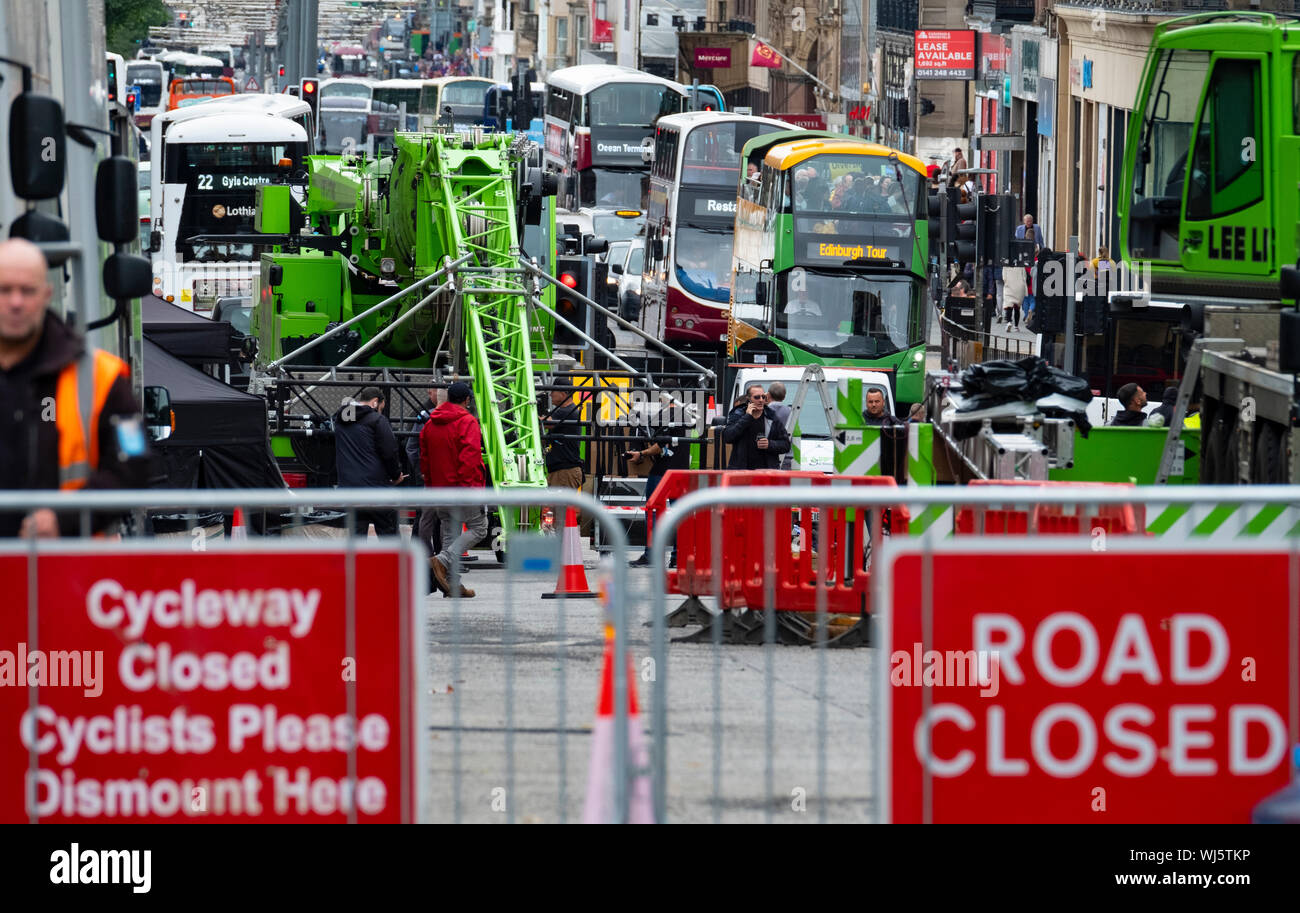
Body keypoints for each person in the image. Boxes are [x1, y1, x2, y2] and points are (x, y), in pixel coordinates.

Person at [0, 238, 148, 538]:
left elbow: (135, 464)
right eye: (4, 290)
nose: (16, 302)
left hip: (71, 570)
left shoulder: (100, 377)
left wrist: (65, 519)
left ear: (46, 294)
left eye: (27, 291)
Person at [420, 381, 488, 597]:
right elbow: (469, 459)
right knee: (480, 528)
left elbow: (425, 460)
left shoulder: (430, 424)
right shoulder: (467, 422)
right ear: (467, 400)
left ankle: (452, 584)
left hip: (439, 491)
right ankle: (441, 561)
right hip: (462, 490)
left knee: (450, 535)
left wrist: (431, 488)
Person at [334, 386, 405, 537]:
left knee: (356, 538)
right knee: (389, 536)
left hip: (349, 491)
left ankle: (357, 562)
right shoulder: (377, 420)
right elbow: (390, 451)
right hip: (376, 490)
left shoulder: (340, 419)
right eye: (381, 408)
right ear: (375, 402)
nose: (380, 411)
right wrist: (396, 474)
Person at [626, 410, 694, 567]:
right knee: (679, 515)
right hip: (681, 471)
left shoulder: (668, 414)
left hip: (662, 471)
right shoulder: (685, 415)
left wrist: (641, 454)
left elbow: (660, 444)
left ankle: (652, 557)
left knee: (653, 514)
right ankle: (678, 558)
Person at [406, 386, 443, 557]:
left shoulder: (425, 415)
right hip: (432, 477)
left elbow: (412, 447)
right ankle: (426, 556)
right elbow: (412, 447)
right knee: (427, 518)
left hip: (434, 477)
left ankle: (434, 557)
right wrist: (421, 471)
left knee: (432, 518)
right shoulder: (425, 416)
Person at [542, 376, 585, 521]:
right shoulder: (561, 411)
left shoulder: (567, 412)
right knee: (555, 516)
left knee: (560, 518)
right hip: (561, 471)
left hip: (565, 472)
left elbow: (546, 423)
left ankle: (562, 543)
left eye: (553, 391)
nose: (550, 394)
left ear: (564, 393)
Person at [723, 384, 791, 469]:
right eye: (757, 397)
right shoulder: (738, 414)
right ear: (749, 399)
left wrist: (769, 444)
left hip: (766, 472)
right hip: (742, 471)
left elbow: (786, 445)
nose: (761, 400)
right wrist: (747, 417)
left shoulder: (771, 416)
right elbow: (728, 437)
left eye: (763, 397)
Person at [766, 381, 794, 471]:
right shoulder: (791, 412)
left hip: (768, 455)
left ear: (768, 395)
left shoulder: (764, 411)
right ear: (784, 397)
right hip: (787, 456)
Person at [1001, 261, 1027, 329]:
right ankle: (1016, 326)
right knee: (1017, 307)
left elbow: (1004, 278)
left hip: (1009, 285)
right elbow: (1024, 276)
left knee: (1008, 305)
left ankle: (1009, 322)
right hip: (1019, 287)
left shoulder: (1006, 265)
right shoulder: (1021, 264)